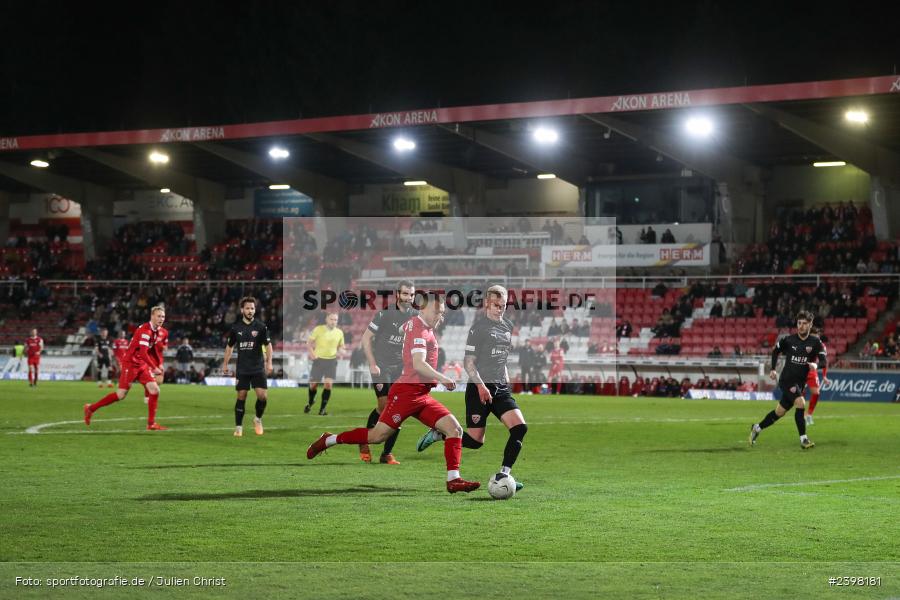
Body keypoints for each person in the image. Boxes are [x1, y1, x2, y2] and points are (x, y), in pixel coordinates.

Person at [306, 293, 480, 494]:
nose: (439, 317)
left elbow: (405, 333)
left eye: (441, 313)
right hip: (406, 393)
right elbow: (418, 363)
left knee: (454, 429)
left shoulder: (418, 325)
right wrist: (443, 377)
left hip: (421, 395)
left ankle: (453, 480)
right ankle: (329, 439)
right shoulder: (419, 330)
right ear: (423, 309)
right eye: (435, 312)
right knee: (376, 436)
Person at [416, 285, 527, 491]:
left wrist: (506, 382)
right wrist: (482, 387)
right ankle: (440, 434)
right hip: (478, 389)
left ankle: (504, 475)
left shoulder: (508, 326)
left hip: (500, 389)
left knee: (520, 428)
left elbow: (502, 359)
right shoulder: (478, 328)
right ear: (487, 303)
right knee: (476, 442)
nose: (500, 309)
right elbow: (468, 362)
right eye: (496, 305)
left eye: (503, 305)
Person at [357, 280, 417, 464]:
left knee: (398, 409)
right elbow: (366, 338)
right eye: (405, 294)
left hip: (402, 369)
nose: (408, 298)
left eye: (412, 295)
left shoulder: (416, 316)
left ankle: (387, 453)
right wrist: (372, 363)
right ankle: (363, 441)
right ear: (397, 294)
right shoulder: (384, 314)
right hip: (382, 367)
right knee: (384, 407)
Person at [83, 306, 168, 431]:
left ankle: (151, 424)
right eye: (159, 316)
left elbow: (152, 350)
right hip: (131, 364)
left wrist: (159, 363)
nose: (161, 319)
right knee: (121, 395)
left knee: (155, 390)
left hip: (141, 364)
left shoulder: (156, 331)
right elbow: (144, 353)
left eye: (163, 316)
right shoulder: (146, 331)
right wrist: (154, 367)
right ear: (152, 316)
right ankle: (90, 408)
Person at [749, 311, 825, 449]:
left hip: (800, 383)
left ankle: (757, 428)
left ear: (810, 325)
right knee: (800, 403)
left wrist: (816, 365)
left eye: (804, 324)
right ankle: (804, 439)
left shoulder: (815, 342)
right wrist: (773, 369)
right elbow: (775, 351)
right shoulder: (789, 340)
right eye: (799, 323)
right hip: (786, 380)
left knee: (779, 412)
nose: (801, 326)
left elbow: (824, 361)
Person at [222, 296, 273, 437]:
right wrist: (225, 363)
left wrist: (269, 362)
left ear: (255, 310)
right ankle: (238, 427)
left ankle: (257, 419)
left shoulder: (261, 327)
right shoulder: (236, 328)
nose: (250, 311)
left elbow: (268, 346)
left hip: (257, 368)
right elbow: (229, 347)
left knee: (262, 396)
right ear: (242, 310)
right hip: (243, 368)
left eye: (252, 308)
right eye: (247, 308)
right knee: (241, 396)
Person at [305, 312, 345, 415]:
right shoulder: (318, 329)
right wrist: (312, 354)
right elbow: (308, 343)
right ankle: (310, 401)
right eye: (331, 319)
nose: (333, 322)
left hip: (331, 361)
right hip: (318, 360)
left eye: (335, 320)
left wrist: (342, 350)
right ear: (327, 319)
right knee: (313, 385)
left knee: (328, 384)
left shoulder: (339, 332)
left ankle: (322, 409)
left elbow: (341, 346)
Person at [805, 327, 829, 425]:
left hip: (812, 371)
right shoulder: (803, 343)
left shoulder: (821, 345)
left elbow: (824, 361)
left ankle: (809, 414)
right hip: (800, 370)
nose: (816, 337)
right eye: (814, 335)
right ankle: (803, 415)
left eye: (817, 335)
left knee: (816, 393)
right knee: (798, 395)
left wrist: (824, 376)